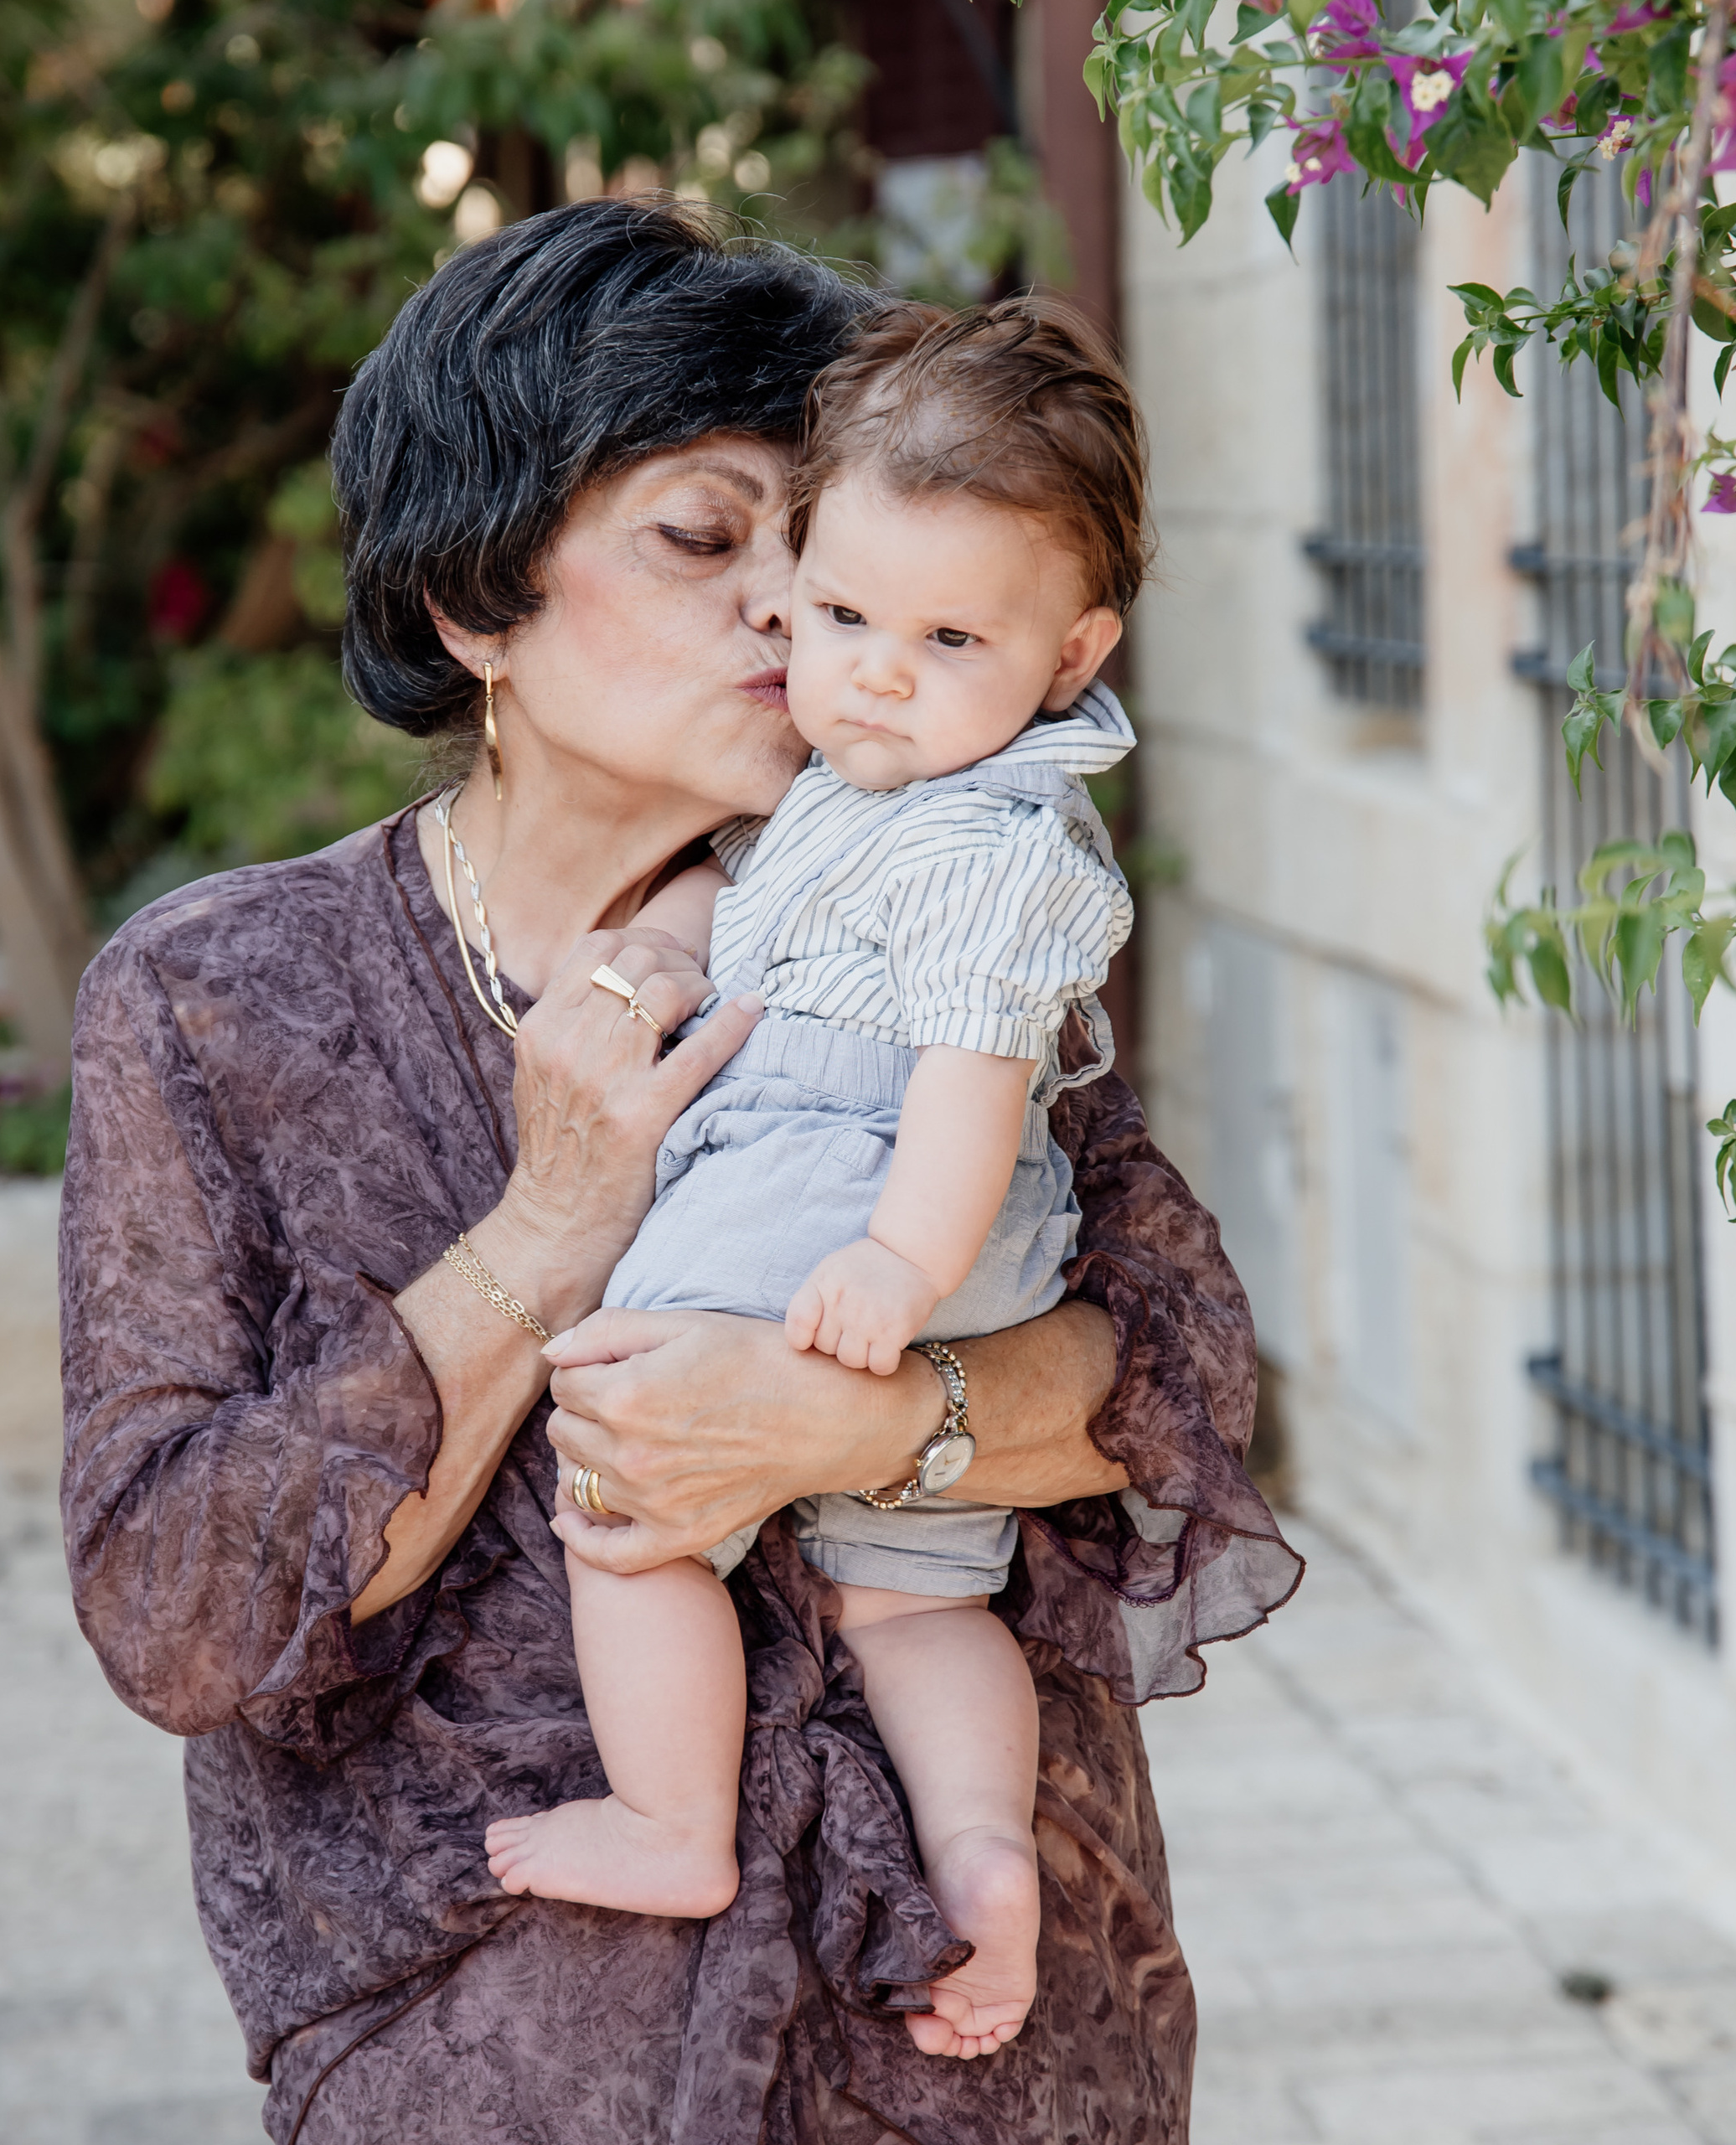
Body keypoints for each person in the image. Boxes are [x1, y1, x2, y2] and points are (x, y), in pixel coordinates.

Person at [59, 196, 1302, 2145]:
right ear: (473, 601)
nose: (791, 612)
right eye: (707, 539)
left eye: (815, 550)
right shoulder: (224, 998)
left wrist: (854, 1420)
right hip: (498, 2064)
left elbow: (1176, 1380)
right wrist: (550, 1224)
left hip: (979, 2048)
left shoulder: (912, 883)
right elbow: (181, 1607)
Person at [484, 297, 1147, 2068]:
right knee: (914, 1589)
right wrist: (685, 925)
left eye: (947, 637)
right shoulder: (899, 775)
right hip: (916, 1218)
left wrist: (894, 1262)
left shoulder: (993, 843)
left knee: (623, 1480)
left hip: (851, 1187)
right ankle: (983, 1852)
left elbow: (969, 1079)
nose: (873, 672)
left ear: (1072, 652)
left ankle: (668, 1819)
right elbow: (772, 885)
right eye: (843, 615)